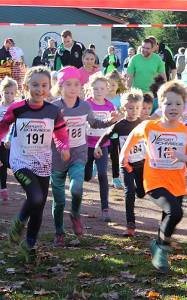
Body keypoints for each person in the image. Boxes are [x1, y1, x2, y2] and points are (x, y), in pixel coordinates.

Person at [119, 81, 187, 273]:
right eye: (168, 103)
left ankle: (158, 246)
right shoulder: (149, 126)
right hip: (153, 182)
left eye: (178, 104)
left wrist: (183, 157)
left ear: (184, 107)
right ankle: (161, 250)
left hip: (176, 184)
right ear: (160, 105)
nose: (173, 108)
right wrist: (123, 156)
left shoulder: (186, 133)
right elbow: (133, 136)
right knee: (175, 213)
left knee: (167, 217)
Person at [0, 66, 70, 262]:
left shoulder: (54, 111)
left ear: (50, 87)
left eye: (44, 85)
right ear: (25, 86)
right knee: (36, 197)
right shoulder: (18, 108)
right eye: (35, 85)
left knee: (38, 207)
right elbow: (3, 126)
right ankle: (18, 223)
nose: (39, 89)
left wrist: (64, 147)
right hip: (20, 160)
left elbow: (61, 133)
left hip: (43, 162)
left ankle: (29, 245)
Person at [50, 66, 119, 247]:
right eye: (68, 84)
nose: (73, 88)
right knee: (58, 201)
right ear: (60, 86)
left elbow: (95, 122)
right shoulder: (54, 107)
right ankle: (59, 233)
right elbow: (47, 130)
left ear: (81, 87)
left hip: (78, 154)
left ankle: (75, 214)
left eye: (76, 84)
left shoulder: (85, 106)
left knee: (77, 188)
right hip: (57, 158)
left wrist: (110, 121)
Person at [95, 88, 145, 236]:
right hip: (126, 165)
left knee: (141, 193)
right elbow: (106, 134)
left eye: (137, 108)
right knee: (129, 192)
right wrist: (98, 145)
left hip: (142, 164)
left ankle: (139, 190)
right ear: (124, 108)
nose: (134, 111)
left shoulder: (143, 124)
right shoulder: (120, 125)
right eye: (130, 108)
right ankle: (130, 225)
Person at [84, 74, 115, 222]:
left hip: (102, 146)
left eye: (102, 88)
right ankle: (88, 173)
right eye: (95, 88)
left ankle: (105, 208)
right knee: (86, 176)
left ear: (107, 89)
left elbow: (113, 126)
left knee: (103, 174)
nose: (98, 91)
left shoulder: (110, 106)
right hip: (86, 145)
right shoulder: (86, 104)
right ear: (90, 89)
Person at [0, 77, 18, 201]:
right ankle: (3, 188)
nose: (8, 95)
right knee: (2, 166)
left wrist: (11, 139)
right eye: (6, 92)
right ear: (1, 92)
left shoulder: (16, 107)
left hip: (10, 141)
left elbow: (17, 125)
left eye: (11, 93)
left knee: (7, 163)